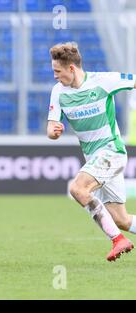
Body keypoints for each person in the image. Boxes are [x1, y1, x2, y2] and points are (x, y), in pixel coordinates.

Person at [47, 42, 136, 262]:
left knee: (78, 188)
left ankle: (118, 241)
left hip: (111, 152)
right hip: (95, 158)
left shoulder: (103, 81)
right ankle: (120, 234)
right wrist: (54, 132)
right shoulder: (58, 92)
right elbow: (50, 128)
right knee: (121, 219)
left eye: (57, 71)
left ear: (71, 69)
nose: (55, 76)